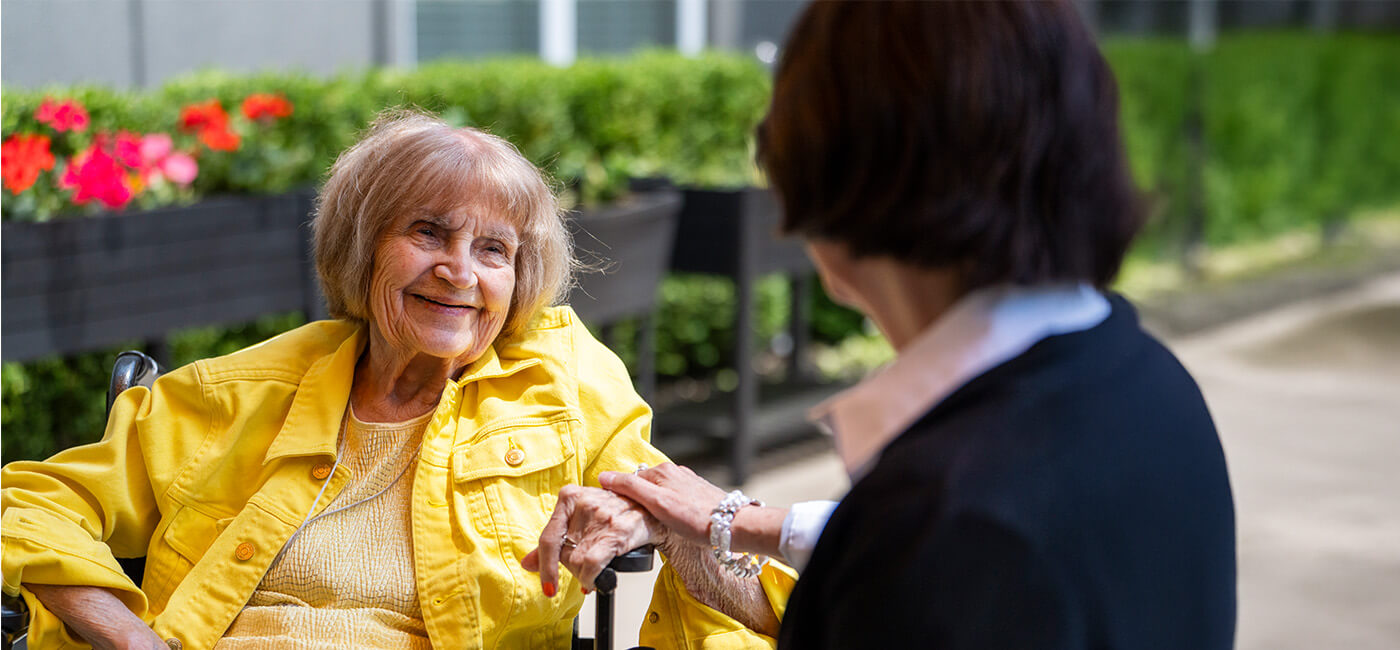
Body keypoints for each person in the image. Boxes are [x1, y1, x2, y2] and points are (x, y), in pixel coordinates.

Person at [547, 1, 1238, 648]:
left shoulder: (945, 518)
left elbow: (928, 565)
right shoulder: (1150, 383)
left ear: (831, 175)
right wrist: (744, 524)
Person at [0, 112, 782, 649]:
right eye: (428, 233)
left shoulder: (564, 383)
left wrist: (669, 526)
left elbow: (697, 551)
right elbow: (30, 503)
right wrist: (128, 635)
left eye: (493, 251)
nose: (459, 272)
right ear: (361, 248)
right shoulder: (249, 390)